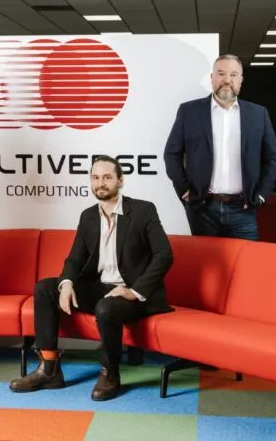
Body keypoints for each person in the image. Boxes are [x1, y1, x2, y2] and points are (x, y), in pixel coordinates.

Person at [9, 155, 174, 401]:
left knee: (106, 307)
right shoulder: (88, 216)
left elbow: (164, 255)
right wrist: (66, 283)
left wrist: (133, 291)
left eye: (107, 177)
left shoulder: (143, 210)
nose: (101, 183)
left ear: (120, 180)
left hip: (134, 294)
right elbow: (75, 258)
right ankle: (49, 369)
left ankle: (110, 372)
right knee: (45, 288)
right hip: (101, 288)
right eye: (95, 178)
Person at [163, 54, 276, 240]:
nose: (227, 80)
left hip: (243, 209)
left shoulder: (258, 114)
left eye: (234, 75)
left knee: (245, 265)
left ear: (241, 80)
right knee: (206, 264)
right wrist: (184, 190)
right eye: (221, 73)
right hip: (202, 208)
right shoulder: (189, 111)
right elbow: (172, 154)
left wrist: (261, 195)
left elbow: (273, 158)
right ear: (212, 78)